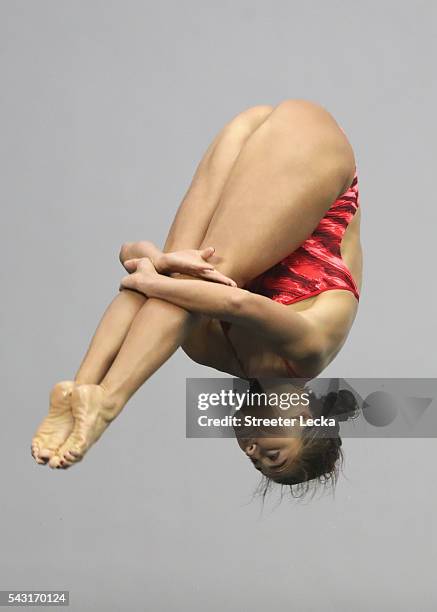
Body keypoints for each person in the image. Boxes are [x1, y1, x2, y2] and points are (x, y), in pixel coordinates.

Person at [31, 99, 363, 472]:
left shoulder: (210, 352)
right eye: (273, 455)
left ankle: (78, 390)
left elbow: (137, 265)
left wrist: (154, 264)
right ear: (307, 417)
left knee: (183, 276)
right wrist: (152, 274)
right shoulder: (309, 352)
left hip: (252, 131)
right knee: (202, 278)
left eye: (256, 462)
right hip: (312, 143)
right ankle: (108, 403)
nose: (252, 451)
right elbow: (235, 304)